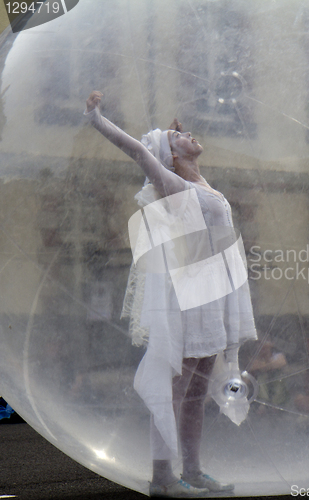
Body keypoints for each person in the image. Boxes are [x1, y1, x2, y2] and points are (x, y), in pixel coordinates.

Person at [85, 91, 257, 497]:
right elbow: (138, 153)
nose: (187, 134)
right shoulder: (173, 184)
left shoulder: (200, 183)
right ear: (170, 157)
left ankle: (193, 470)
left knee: (196, 391)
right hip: (186, 300)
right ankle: (162, 476)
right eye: (176, 137)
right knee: (175, 388)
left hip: (210, 297)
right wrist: (97, 119)